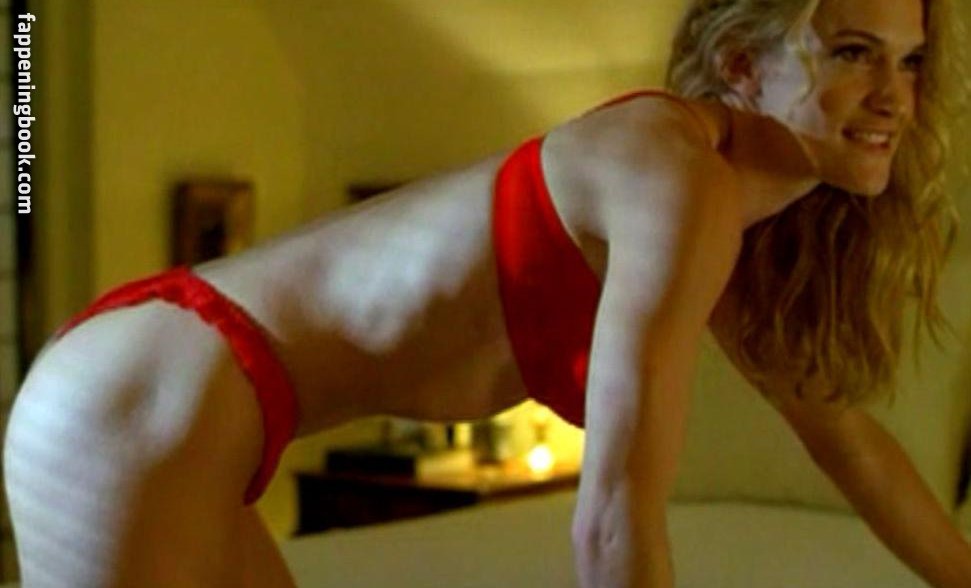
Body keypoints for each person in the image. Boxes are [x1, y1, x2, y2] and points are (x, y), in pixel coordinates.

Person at [4, 0, 970, 586]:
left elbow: (853, 450)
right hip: (150, 388)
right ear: (740, 66)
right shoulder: (676, 178)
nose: (893, 94)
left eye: (910, 59)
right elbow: (614, 515)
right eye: (851, 52)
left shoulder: (721, 232)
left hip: (176, 392)